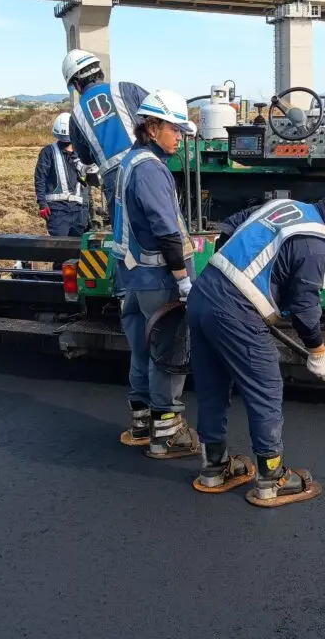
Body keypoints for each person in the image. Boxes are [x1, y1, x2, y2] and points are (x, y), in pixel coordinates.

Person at [186, 175, 325, 506]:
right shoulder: (316, 242)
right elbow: (305, 307)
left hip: (203, 294)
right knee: (266, 388)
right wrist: (318, 352)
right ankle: (271, 479)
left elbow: (230, 228)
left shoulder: (285, 206)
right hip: (236, 312)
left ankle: (214, 468)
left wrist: (239, 279)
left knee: (212, 387)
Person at [110, 89, 199, 459]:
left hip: (132, 279)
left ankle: (142, 423)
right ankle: (167, 435)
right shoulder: (150, 169)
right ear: (151, 126)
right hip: (158, 279)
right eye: (174, 129)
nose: (179, 136)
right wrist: (183, 280)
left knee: (141, 351)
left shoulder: (129, 162)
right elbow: (165, 230)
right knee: (169, 354)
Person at [61, 48, 150, 224]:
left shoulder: (76, 116)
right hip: (146, 166)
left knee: (125, 233)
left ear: (77, 83)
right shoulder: (126, 89)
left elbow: (85, 158)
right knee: (162, 220)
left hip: (114, 179)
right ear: (99, 72)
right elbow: (158, 118)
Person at [35, 113, 94, 271]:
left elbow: (88, 181)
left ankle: (77, 290)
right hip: (57, 211)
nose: (65, 142)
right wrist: (42, 203)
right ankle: (59, 288)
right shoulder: (48, 152)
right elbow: (40, 178)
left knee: (78, 253)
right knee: (61, 254)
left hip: (78, 211)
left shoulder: (82, 154)